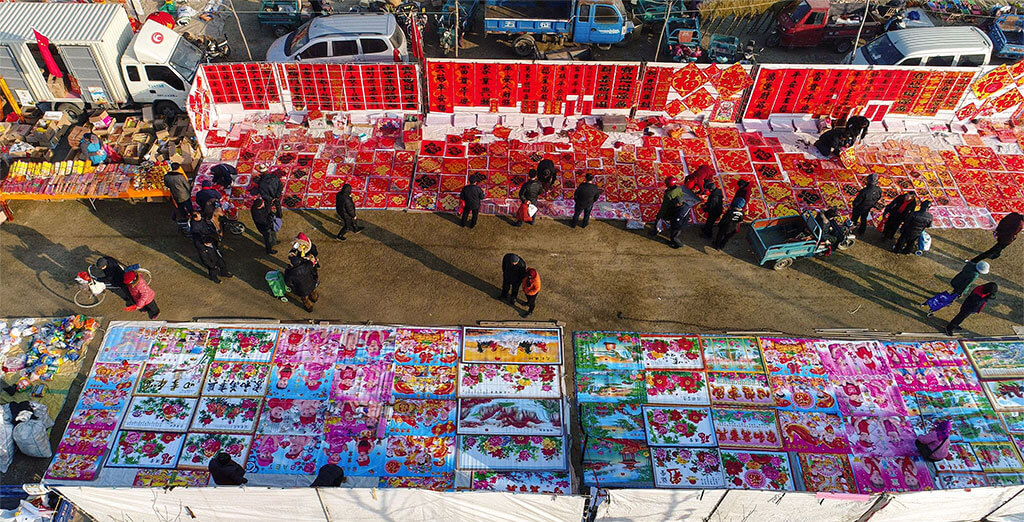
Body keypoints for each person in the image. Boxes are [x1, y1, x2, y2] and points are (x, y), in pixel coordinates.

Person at [163, 162, 192, 228]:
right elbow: (186, 185)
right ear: (178, 168)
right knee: (188, 205)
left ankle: (184, 215)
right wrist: (189, 190)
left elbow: (166, 185)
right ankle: (191, 214)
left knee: (180, 206)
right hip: (184, 194)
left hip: (175, 194)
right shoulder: (180, 176)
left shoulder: (166, 176)